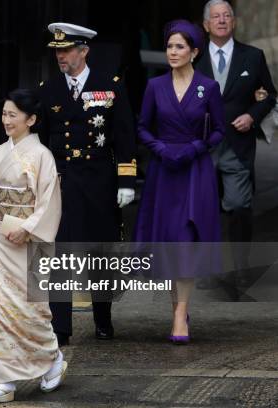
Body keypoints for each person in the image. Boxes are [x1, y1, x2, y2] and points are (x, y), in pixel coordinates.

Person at [38, 23, 137, 345]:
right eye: (57, 51)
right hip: (64, 180)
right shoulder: (49, 89)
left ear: (84, 51)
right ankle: (61, 326)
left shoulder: (110, 85)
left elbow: (124, 135)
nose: (60, 56)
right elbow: (40, 138)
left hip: (99, 179)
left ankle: (103, 316)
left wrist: (126, 179)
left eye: (66, 50)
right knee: (61, 253)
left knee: (100, 251)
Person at [134, 20, 225, 343]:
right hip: (163, 171)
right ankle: (179, 309)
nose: (173, 52)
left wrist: (196, 148)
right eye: (170, 46)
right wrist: (158, 148)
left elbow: (219, 129)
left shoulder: (208, 88)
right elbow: (143, 126)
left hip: (194, 172)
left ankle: (178, 314)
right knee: (170, 242)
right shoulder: (154, 86)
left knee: (186, 239)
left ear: (194, 52)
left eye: (180, 47)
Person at [0, 88, 67, 403]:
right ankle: (5, 379)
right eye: (4, 114)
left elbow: (48, 202)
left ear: (31, 119)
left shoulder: (42, 156)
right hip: (1, 238)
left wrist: (28, 227)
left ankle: (52, 357)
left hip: (29, 242)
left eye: (13, 115)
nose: (7, 120)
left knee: (31, 309)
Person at [196, 0, 277, 289]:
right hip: (201, 147)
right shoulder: (191, 57)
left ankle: (241, 267)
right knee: (201, 208)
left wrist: (252, 116)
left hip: (237, 145)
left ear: (234, 22)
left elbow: (269, 95)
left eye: (226, 16)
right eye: (215, 17)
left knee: (239, 206)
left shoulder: (253, 57)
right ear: (206, 25)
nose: (221, 20)